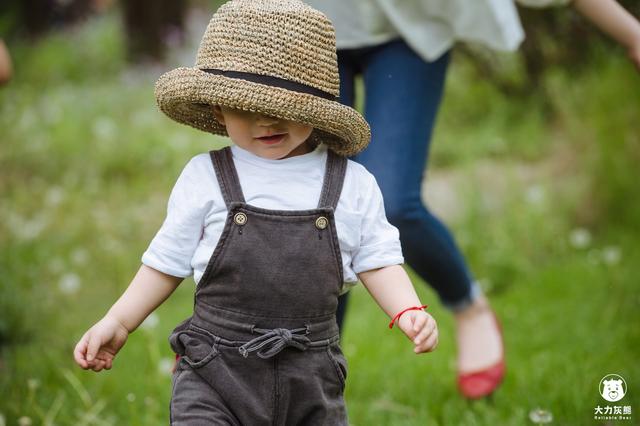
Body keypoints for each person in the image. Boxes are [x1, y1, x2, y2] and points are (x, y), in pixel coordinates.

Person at [72, 0, 438, 424]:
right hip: (214, 369)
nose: (266, 121)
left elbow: (378, 258)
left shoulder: (351, 184)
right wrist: (119, 320)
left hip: (311, 374)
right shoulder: (206, 176)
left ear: (313, 111)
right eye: (247, 108)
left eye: (284, 108)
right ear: (217, 108)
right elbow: (165, 262)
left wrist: (408, 310)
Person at [308, 0, 640, 400]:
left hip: (411, 31)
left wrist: (632, 34)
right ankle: (315, 376)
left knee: (392, 202)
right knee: (315, 208)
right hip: (304, 29)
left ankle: (468, 304)